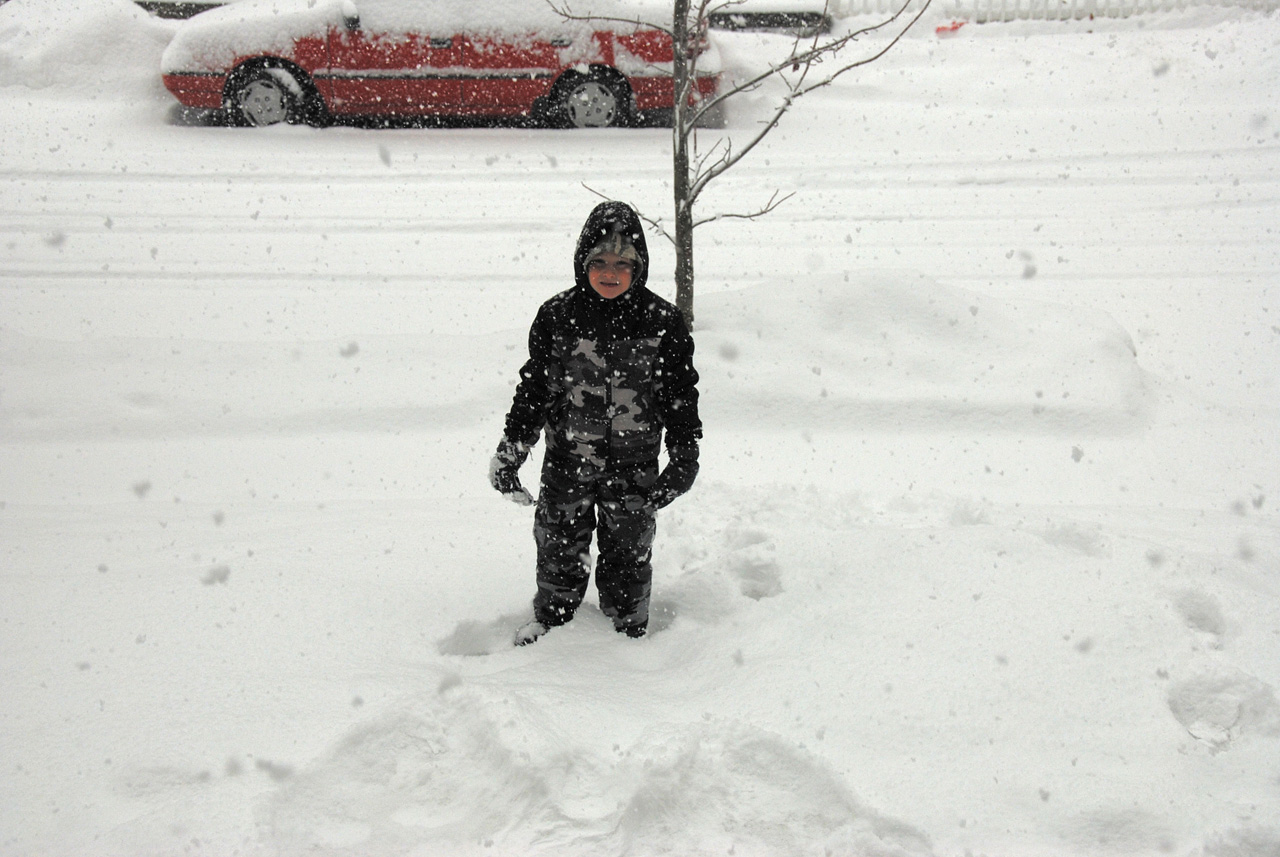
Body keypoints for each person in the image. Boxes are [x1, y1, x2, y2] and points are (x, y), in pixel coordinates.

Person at [489, 201, 702, 645]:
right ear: (582, 262)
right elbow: (535, 391)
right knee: (558, 547)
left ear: (638, 267)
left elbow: (680, 394)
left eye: (623, 263)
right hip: (568, 463)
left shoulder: (662, 322)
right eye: (599, 261)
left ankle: (627, 634)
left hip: (635, 467)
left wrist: (684, 456)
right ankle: (553, 627)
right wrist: (511, 452)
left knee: (628, 553)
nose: (610, 272)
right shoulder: (558, 316)